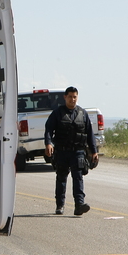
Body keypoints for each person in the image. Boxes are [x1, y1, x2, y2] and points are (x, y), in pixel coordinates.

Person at [44, 86, 99, 216]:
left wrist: (94, 151)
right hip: (62, 151)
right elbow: (48, 129)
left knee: (78, 178)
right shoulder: (57, 113)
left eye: (75, 97)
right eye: (70, 97)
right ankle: (60, 205)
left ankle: (79, 205)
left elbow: (90, 133)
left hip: (78, 152)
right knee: (61, 178)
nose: (72, 99)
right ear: (65, 97)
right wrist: (48, 144)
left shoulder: (82, 113)